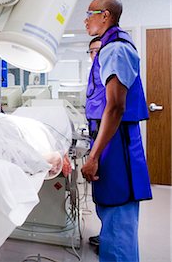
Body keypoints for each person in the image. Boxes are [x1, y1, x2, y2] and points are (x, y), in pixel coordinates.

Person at [81, 0, 152, 262]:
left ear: (105, 16)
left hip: (116, 145)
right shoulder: (114, 46)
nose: (86, 20)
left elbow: (115, 108)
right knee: (112, 219)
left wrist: (94, 156)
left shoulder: (115, 49)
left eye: (89, 13)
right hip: (114, 140)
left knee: (118, 219)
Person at [85, 36, 102, 250]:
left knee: (114, 196)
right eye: (91, 51)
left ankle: (112, 241)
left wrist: (94, 156)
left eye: (98, 50)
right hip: (98, 138)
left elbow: (114, 110)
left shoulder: (111, 77)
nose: (94, 55)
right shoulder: (96, 76)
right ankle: (106, 234)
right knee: (102, 194)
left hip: (109, 144)